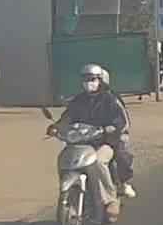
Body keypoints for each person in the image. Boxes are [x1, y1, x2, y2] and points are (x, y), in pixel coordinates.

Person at [46, 64, 137, 201]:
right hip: (83, 142)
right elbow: (68, 117)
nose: (88, 83)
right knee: (66, 158)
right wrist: (57, 127)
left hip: (106, 141)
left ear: (101, 80)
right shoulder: (79, 101)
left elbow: (121, 120)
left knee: (99, 161)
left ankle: (109, 199)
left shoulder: (110, 99)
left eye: (92, 79)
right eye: (85, 79)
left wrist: (112, 127)